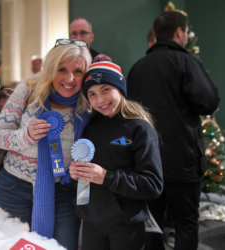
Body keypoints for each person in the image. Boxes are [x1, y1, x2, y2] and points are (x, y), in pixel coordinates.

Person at [127, 11, 220, 250]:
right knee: (186, 224)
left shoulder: (137, 68)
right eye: (186, 31)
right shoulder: (187, 62)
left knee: (151, 224)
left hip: (147, 161)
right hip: (183, 161)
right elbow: (209, 102)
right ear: (179, 32)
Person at [0, 39, 92, 250]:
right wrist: (26, 136)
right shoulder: (28, 90)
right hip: (14, 188)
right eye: (62, 69)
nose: (70, 78)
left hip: (63, 192)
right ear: (50, 68)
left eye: (78, 71)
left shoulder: (88, 103)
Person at [69, 55, 163, 250]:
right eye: (92, 94)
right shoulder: (90, 128)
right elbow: (87, 177)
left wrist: (106, 177)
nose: (100, 99)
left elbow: (153, 184)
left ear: (120, 88)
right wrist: (77, 174)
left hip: (126, 225)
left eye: (106, 89)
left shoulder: (139, 129)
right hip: (91, 223)